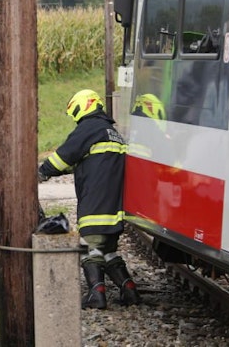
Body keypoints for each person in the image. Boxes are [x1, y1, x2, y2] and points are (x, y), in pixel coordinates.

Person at [38, 89, 141, 309]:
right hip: (115, 208)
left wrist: (42, 171)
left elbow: (63, 157)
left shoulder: (88, 129)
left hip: (95, 204)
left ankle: (97, 294)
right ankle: (128, 289)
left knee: (89, 248)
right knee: (108, 250)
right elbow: (88, 161)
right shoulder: (112, 132)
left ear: (81, 106)